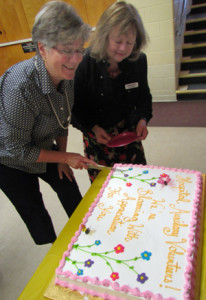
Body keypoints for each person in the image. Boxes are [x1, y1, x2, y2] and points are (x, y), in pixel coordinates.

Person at [0, 1, 96, 245]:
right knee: (34, 208)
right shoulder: (19, 87)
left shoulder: (66, 76)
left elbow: (62, 120)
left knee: (68, 186)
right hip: (8, 159)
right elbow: (18, 150)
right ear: (42, 48)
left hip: (40, 144)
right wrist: (64, 158)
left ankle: (90, 238)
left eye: (80, 49)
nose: (75, 59)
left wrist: (62, 155)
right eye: (67, 50)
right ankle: (54, 256)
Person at [72, 1, 153, 183]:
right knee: (106, 189)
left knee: (138, 183)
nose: (123, 48)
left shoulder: (138, 60)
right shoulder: (84, 63)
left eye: (129, 42)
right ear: (104, 35)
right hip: (98, 137)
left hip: (129, 134)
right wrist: (92, 127)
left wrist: (142, 118)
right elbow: (75, 108)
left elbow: (144, 98)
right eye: (118, 41)